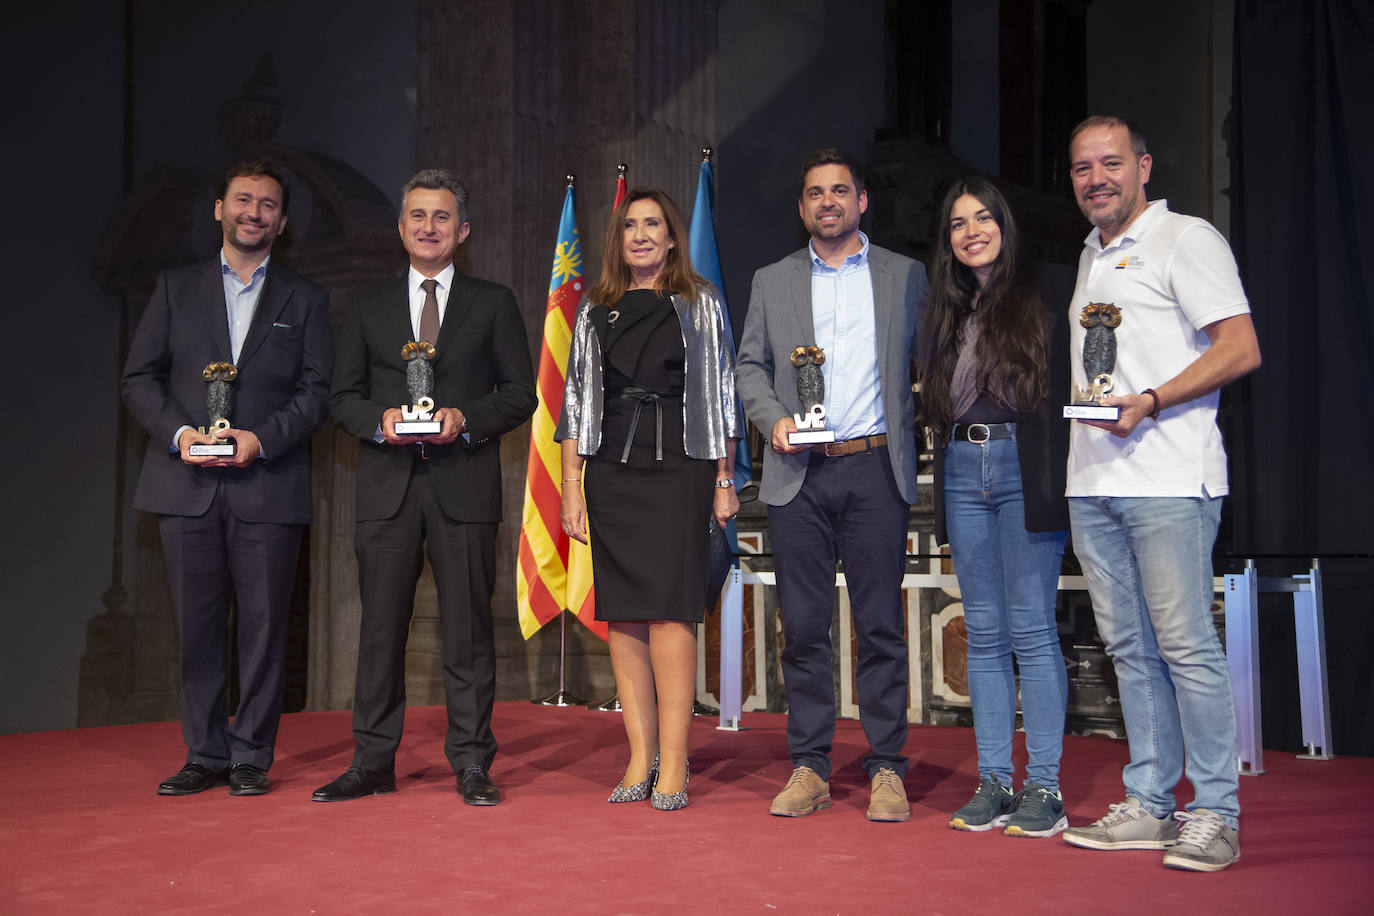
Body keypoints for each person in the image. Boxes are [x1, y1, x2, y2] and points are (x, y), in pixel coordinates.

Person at [1058, 116, 1260, 872]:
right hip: (1094, 481)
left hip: (1170, 480)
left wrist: (1153, 399)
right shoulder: (1091, 253)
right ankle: (1149, 801)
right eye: (1082, 168)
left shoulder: (1187, 238)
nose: (1096, 179)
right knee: (1130, 650)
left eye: (1111, 163)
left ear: (1143, 165)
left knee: (1184, 648)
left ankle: (1216, 813)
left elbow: (1241, 347)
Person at [314, 169, 536, 805]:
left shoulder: (491, 302)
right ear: (401, 229)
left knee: (467, 631)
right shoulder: (367, 304)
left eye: (442, 218)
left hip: (463, 487)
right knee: (380, 630)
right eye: (417, 216)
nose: (428, 228)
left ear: (462, 231)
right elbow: (342, 398)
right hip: (386, 489)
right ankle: (372, 762)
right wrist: (380, 423)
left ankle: (471, 763)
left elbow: (520, 393)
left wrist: (465, 421)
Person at [122, 159, 333, 797]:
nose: (254, 213)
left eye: (267, 205)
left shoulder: (307, 298)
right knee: (198, 626)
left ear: (282, 221)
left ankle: (250, 757)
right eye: (243, 200)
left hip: (268, 484)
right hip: (184, 486)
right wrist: (183, 436)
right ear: (220, 208)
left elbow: (317, 391)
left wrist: (260, 439)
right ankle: (204, 753)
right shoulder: (174, 288)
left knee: (266, 631)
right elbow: (139, 380)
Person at [736, 149, 927, 822]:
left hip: (876, 469)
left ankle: (887, 770)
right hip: (799, 476)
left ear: (861, 201)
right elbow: (748, 367)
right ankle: (810, 766)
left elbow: (932, 362)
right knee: (805, 630)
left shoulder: (906, 277)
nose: (827, 202)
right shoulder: (773, 279)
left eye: (839, 191)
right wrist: (773, 419)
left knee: (880, 628)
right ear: (802, 207)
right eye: (815, 192)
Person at [557, 188, 743, 811]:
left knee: (671, 610)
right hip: (613, 471)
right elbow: (576, 406)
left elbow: (720, 396)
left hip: (681, 468)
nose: (640, 235)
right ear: (620, 239)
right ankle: (639, 757)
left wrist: (724, 480)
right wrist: (571, 489)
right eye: (630, 225)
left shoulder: (699, 301)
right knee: (626, 614)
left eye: (652, 225)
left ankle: (676, 763)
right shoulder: (597, 307)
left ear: (670, 237)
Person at [917, 178, 1073, 837]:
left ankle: (1046, 789)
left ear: (1005, 227)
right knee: (983, 630)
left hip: (1022, 463)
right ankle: (993, 782)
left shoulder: (1045, 294)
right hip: (961, 464)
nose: (971, 230)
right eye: (957, 223)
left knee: (1032, 628)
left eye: (983, 218)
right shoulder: (946, 308)